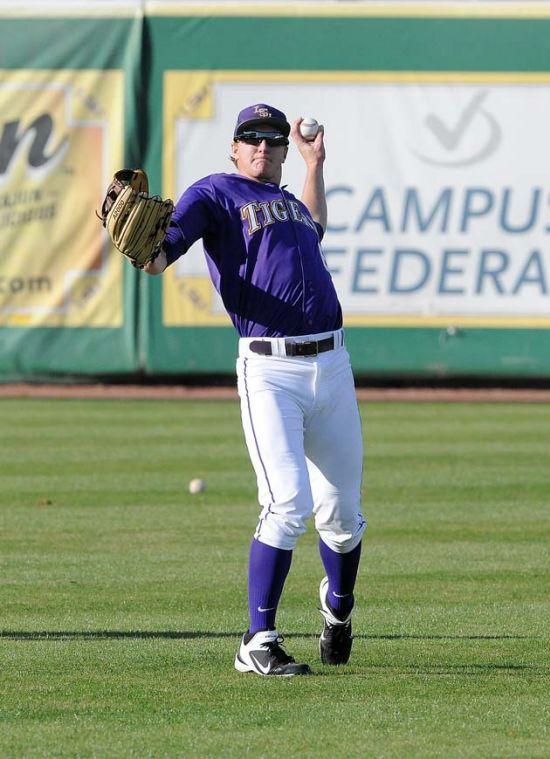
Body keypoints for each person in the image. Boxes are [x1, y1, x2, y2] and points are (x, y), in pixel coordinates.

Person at [144, 103, 366, 676]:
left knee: (342, 517)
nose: (262, 148)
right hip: (269, 371)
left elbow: (316, 228)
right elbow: (161, 252)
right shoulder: (215, 192)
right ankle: (258, 640)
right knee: (288, 504)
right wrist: (149, 249)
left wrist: (315, 167)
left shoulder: (290, 200)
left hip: (333, 365)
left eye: (272, 140)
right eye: (251, 139)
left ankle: (338, 612)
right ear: (235, 148)